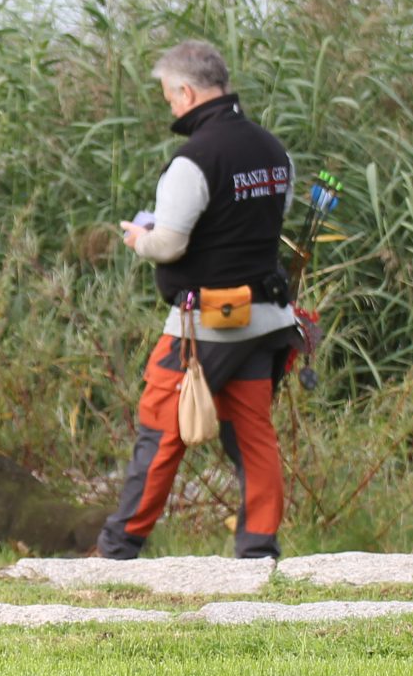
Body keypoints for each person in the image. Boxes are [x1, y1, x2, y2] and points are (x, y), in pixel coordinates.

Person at [98, 41, 300, 561]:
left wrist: (139, 239)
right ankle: (258, 550)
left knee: (160, 428)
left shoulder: (194, 159)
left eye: (169, 97)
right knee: (253, 435)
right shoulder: (274, 150)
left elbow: (170, 244)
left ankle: (118, 549)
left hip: (204, 326)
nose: (170, 106)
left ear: (186, 93)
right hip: (268, 318)